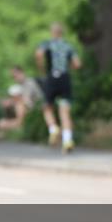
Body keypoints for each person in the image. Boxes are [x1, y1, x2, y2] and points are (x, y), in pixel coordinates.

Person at [36, 22, 81, 153]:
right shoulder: (68, 46)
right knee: (65, 111)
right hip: (65, 78)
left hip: (52, 77)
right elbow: (77, 64)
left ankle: (53, 128)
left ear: (52, 32)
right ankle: (67, 140)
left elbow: (38, 54)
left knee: (47, 107)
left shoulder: (47, 44)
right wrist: (68, 68)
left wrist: (42, 68)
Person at [0, 65, 43, 137]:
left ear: (21, 73)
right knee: (2, 120)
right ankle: (8, 129)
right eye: (13, 77)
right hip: (26, 110)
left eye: (15, 76)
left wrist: (12, 102)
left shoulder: (29, 83)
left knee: (19, 105)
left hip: (35, 110)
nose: (14, 78)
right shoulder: (20, 86)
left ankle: (18, 125)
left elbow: (27, 102)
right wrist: (8, 101)